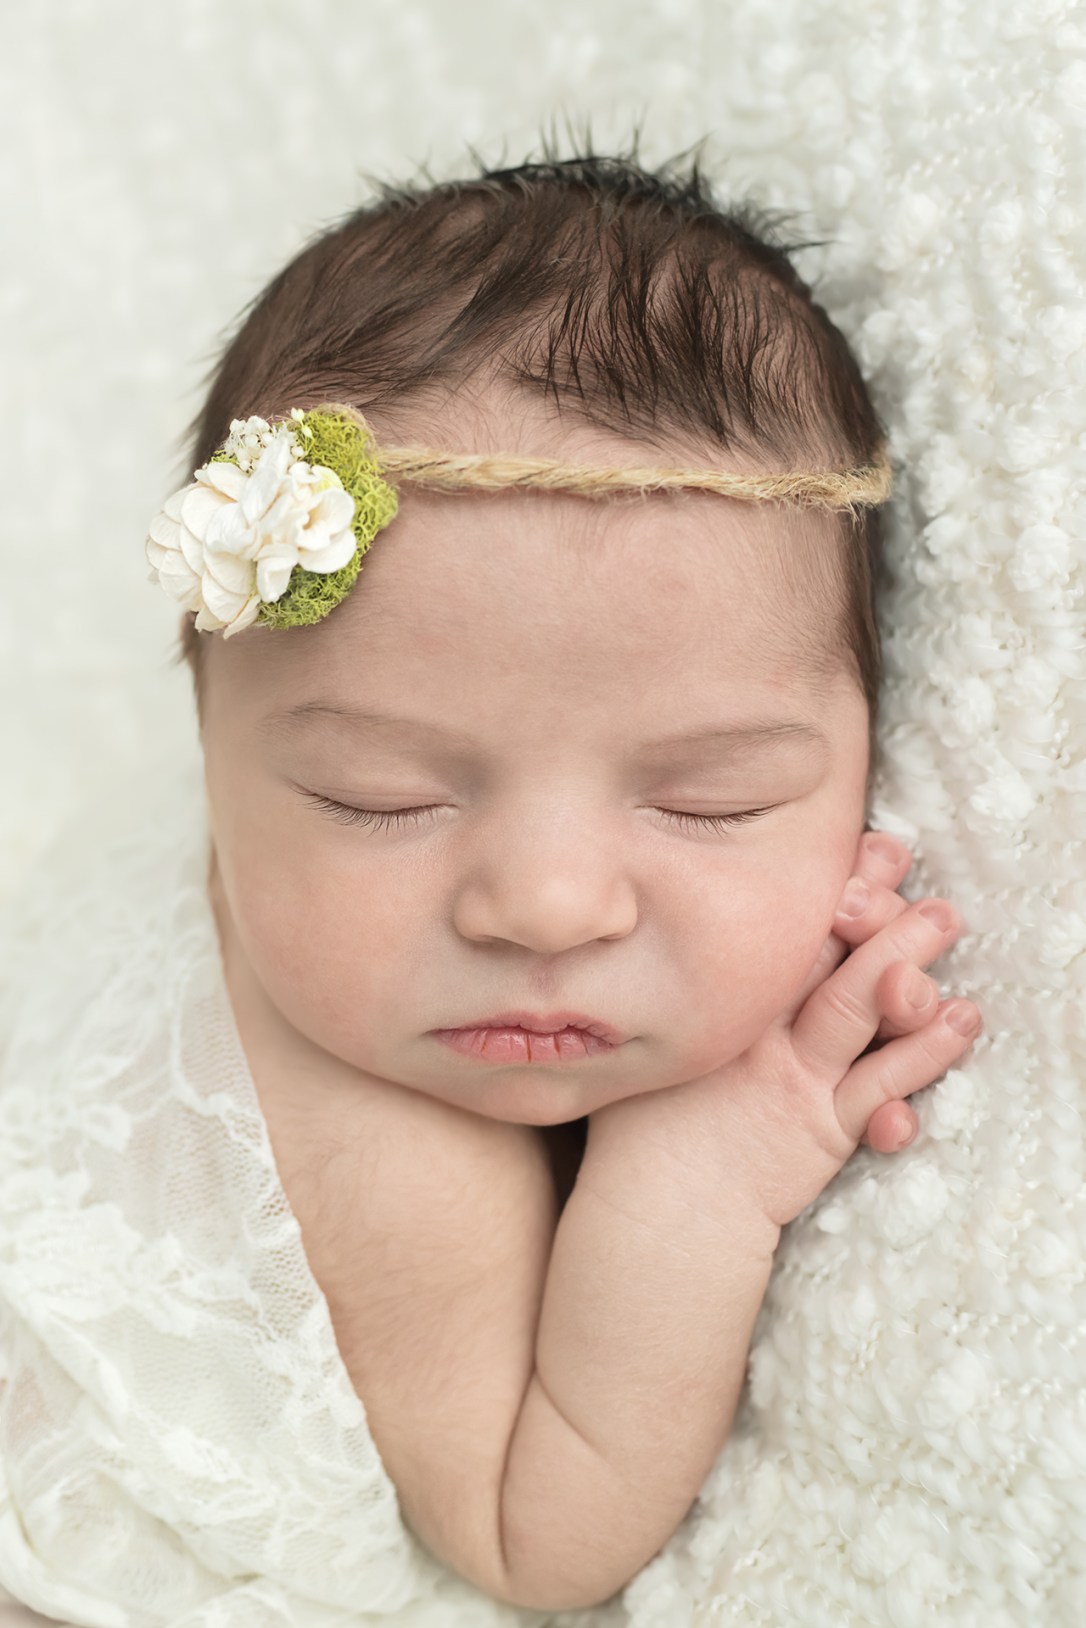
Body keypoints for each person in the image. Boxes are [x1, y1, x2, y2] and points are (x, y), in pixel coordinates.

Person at [0, 144, 983, 1623]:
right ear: (210, 748)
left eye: (709, 801)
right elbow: (539, 1536)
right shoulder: (373, 1132)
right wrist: (707, 1165)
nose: (543, 906)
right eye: (375, 800)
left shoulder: (350, 941)